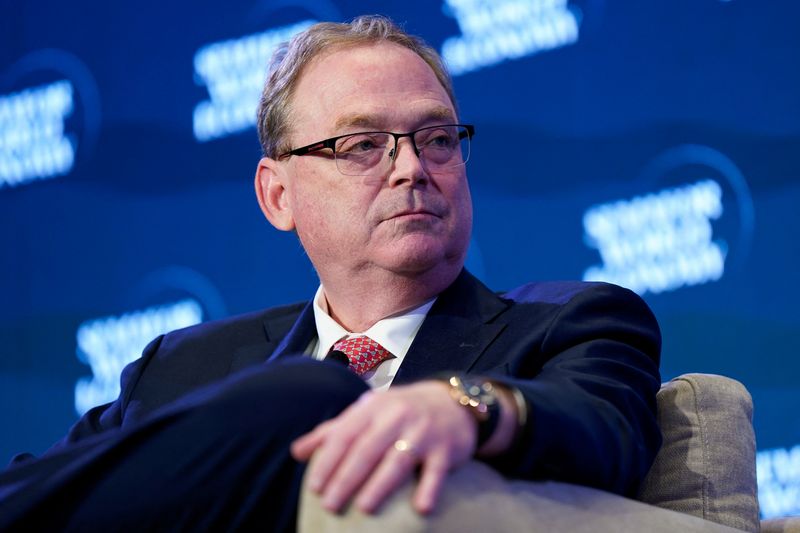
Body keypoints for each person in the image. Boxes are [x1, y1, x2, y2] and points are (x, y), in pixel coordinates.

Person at [0, 15, 663, 531]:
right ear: (277, 195)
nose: (411, 170)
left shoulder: (576, 323)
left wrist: (467, 404)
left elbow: (604, 428)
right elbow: (46, 488)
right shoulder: (179, 366)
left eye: (436, 139)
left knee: (314, 397)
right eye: (362, 146)